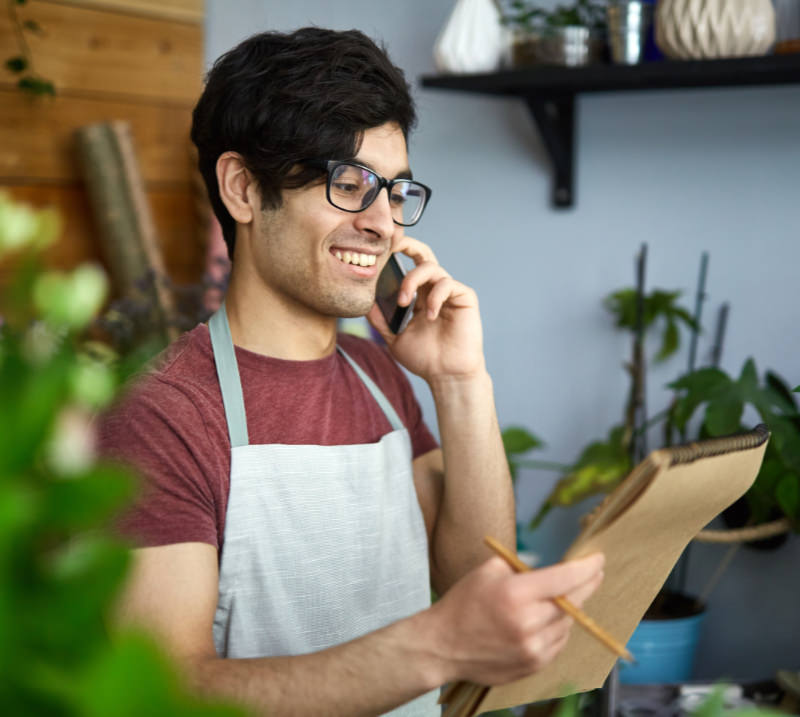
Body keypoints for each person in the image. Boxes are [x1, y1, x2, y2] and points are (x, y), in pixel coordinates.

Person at [100, 27, 604, 716]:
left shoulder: (381, 377)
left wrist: (461, 383)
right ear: (244, 189)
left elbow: (475, 585)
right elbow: (163, 693)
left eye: (395, 191)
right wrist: (431, 648)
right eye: (348, 184)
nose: (382, 223)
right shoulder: (164, 415)